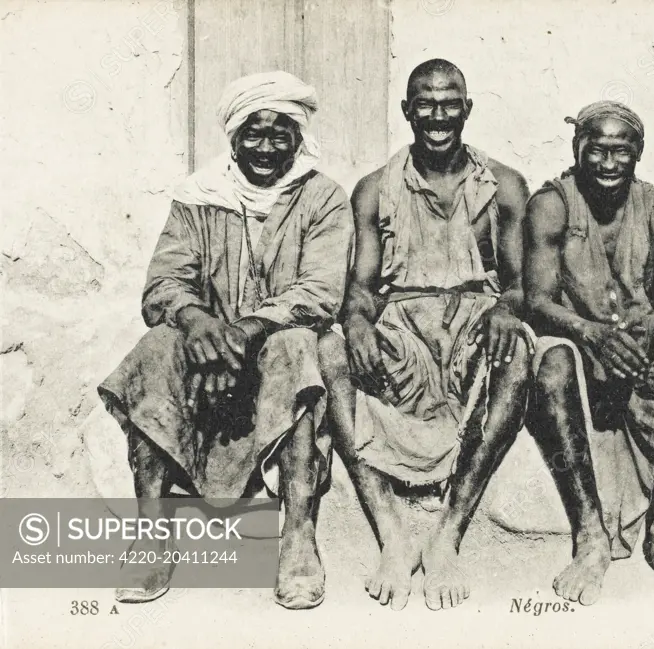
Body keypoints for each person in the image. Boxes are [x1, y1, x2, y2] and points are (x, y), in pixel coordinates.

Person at [98, 71, 352, 609]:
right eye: (252, 133)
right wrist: (198, 322)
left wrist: (246, 329)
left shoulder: (324, 198)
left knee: (300, 347)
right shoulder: (198, 197)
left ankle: (298, 536)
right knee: (153, 350)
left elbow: (320, 291)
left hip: (274, 351)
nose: (265, 147)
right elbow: (164, 283)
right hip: (209, 353)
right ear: (233, 136)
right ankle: (150, 535)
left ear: (298, 136)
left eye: (280, 133)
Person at [317, 59, 532, 611]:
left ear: (467, 109)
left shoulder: (505, 186)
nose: (438, 116)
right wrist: (358, 318)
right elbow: (362, 285)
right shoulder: (373, 189)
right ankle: (392, 534)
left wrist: (508, 309)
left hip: (472, 324)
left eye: (450, 102)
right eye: (426, 104)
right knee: (329, 349)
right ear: (408, 111)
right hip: (403, 331)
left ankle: (447, 535)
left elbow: (517, 285)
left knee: (520, 355)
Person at [522, 101, 654, 605]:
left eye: (620, 152)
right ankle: (590, 535)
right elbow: (538, 301)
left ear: (638, 154)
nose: (608, 164)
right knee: (552, 361)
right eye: (596, 150)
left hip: (638, 344)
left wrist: (648, 329)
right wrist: (592, 334)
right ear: (576, 148)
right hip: (581, 342)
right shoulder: (552, 205)